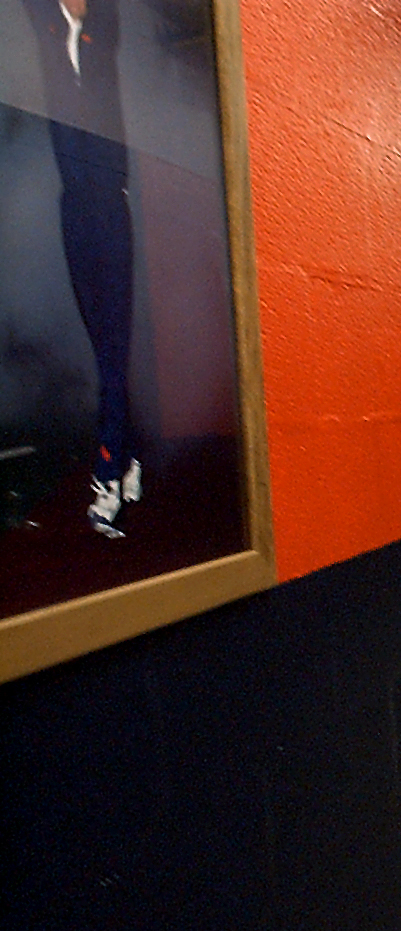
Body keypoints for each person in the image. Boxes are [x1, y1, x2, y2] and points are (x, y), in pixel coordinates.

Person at [22, 0, 141, 537]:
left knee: (113, 347)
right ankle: (130, 457)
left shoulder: (104, 32)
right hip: (74, 208)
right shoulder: (48, 28)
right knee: (102, 343)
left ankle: (108, 473)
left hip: (108, 208)